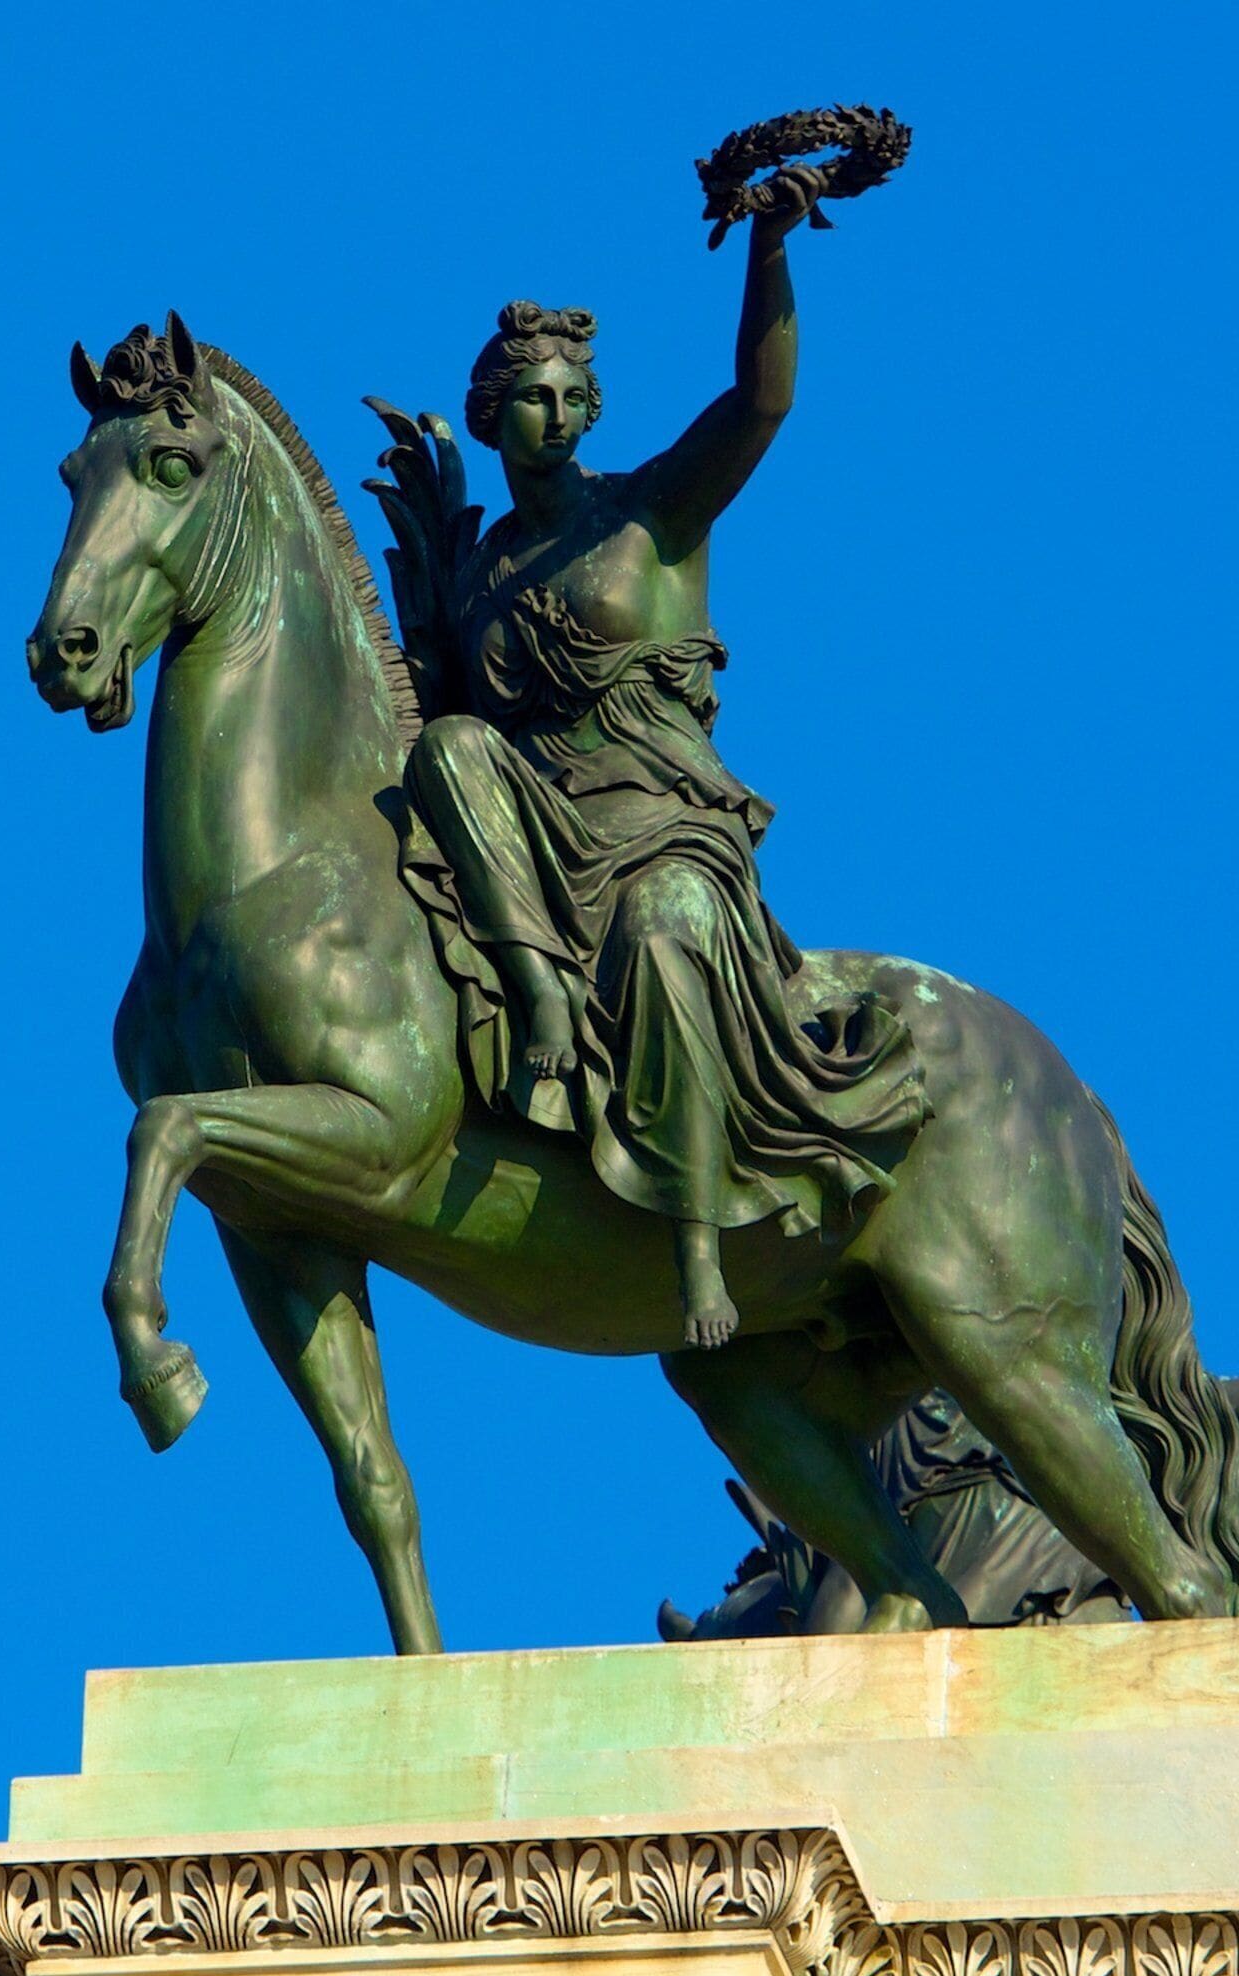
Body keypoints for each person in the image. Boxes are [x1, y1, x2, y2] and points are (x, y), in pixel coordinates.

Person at [404, 171, 922, 1349]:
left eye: (568, 396)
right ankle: (535, 991)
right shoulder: (481, 577)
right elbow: (431, 728)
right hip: (534, 832)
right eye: (526, 398)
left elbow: (762, 398)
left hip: (662, 824)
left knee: (666, 924)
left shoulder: (653, 511)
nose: (550, 413)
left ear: (590, 411)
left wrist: (772, 247)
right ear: (491, 418)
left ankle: (695, 1237)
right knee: (448, 743)